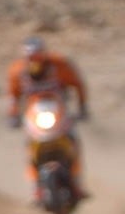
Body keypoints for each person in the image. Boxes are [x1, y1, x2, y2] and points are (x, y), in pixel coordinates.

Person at [6, 36, 90, 201]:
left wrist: (82, 107)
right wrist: (13, 116)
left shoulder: (59, 65)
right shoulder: (17, 71)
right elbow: (13, 96)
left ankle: (77, 182)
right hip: (34, 115)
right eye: (31, 57)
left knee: (73, 142)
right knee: (30, 149)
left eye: (37, 56)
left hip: (58, 111)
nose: (34, 61)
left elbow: (77, 84)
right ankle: (36, 188)